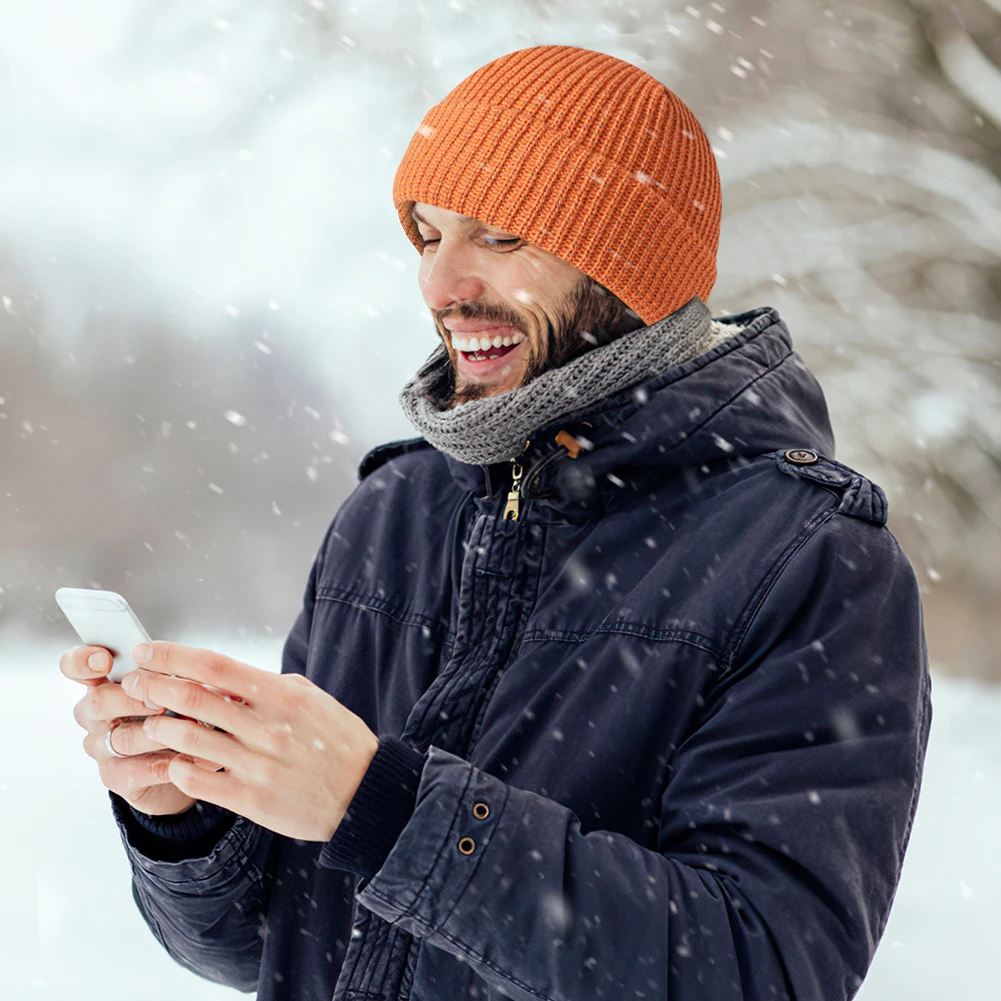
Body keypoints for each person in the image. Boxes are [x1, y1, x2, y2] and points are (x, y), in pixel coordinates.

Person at [60, 45, 932, 1001]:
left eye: (500, 237)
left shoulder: (809, 557)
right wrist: (187, 817)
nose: (442, 285)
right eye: (428, 236)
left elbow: (762, 968)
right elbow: (281, 946)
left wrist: (383, 808)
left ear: (628, 265)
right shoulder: (388, 515)